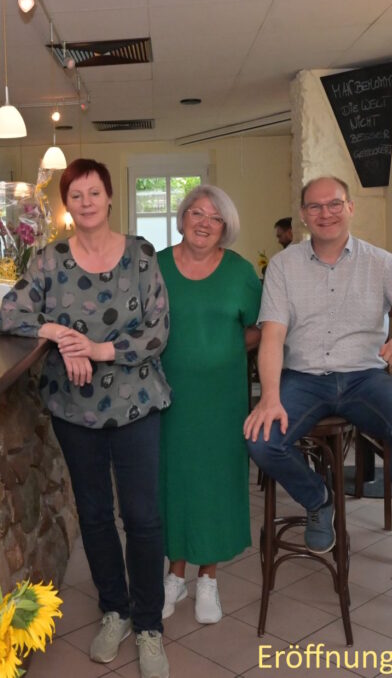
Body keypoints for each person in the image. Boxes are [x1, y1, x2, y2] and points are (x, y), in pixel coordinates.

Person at [243, 176, 392, 610]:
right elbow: (273, 336)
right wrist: (270, 394)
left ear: (351, 208)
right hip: (304, 378)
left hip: (363, 379)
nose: (325, 213)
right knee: (260, 438)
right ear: (302, 215)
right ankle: (320, 498)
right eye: (315, 207)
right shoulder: (284, 266)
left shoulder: (380, 262)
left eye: (334, 204)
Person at [0, 158, 172, 678]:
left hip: (137, 403)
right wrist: (57, 335)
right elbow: (9, 314)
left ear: (109, 197)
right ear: (67, 205)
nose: (87, 202)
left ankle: (149, 626)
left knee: (141, 518)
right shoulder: (49, 259)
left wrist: (95, 348)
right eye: (77, 195)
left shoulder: (140, 254)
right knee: (93, 515)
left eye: (95, 192)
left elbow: (158, 332)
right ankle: (114, 610)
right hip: (74, 408)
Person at [156, 185, 261, 624]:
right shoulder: (156, 266)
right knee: (172, 481)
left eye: (214, 217)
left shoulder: (240, 273)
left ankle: (208, 580)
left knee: (216, 483)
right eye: (195, 212)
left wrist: (222, 351)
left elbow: (259, 329)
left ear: (225, 228)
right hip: (165, 395)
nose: (203, 222)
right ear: (181, 219)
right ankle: (173, 576)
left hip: (221, 398)